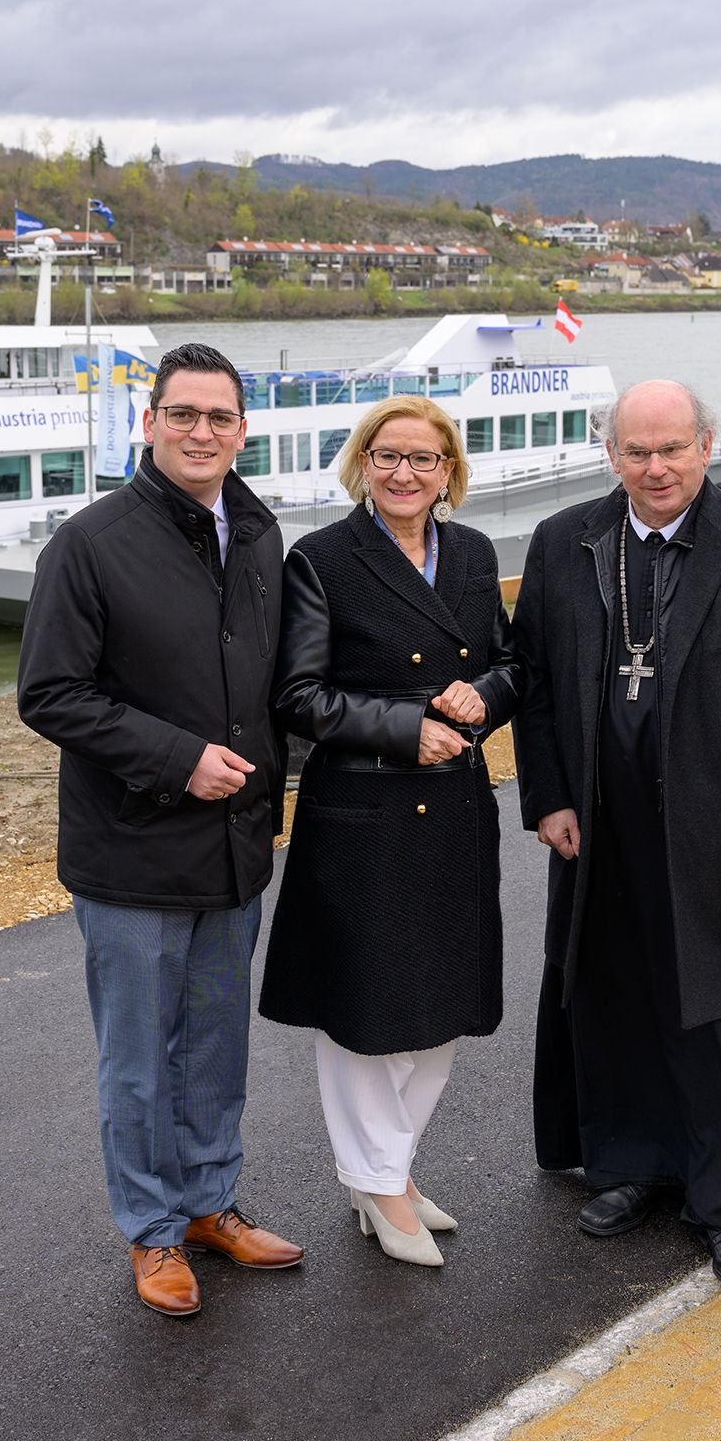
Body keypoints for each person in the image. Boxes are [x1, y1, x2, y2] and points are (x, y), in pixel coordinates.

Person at [18, 342, 305, 1321]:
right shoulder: (89, 544)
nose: (200, 432)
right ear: (149, 424)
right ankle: (151, 1229)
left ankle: (209, 1203)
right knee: (140, 1062)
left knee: (216, 1045)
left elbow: (270, 681)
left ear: (242, 431)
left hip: (234, 848)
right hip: (131, 849)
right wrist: (178, 758)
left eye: (219, 417)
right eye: (182, 414)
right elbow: (50, 693)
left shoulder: (258, 535)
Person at [514, 379, 721, 1291]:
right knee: (613, 997)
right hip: (596, 824)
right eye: (637, 451)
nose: (656, 468)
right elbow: (533, 680)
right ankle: (629, 1166)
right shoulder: (565, 541)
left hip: (714, 826)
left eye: (673, 449)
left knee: (716, 1012)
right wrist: (550, 797)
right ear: (611, 453)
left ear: (707, 446)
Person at [260, 395, 522, 1268]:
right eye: (387, 456)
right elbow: (298, 696)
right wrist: (404, 729)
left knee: (441, 1005)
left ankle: (386, 1172)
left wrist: (487, 694)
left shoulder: (474, 553)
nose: (404, 473)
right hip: (363, 812)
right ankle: (379, 1184)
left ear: (448, 471)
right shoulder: (323, 559)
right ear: (363, 464)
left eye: (423, 458)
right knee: (366, 1010)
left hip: (454, 806)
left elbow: (512, 663)